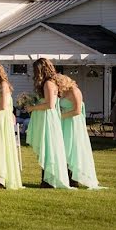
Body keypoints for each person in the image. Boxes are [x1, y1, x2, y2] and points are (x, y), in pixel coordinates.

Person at [25, 58, 72, 189]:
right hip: (46, 118)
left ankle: (48, 180)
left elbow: (50, 105)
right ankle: (46, 179)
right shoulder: (51, 83)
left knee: (48, 148)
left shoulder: (48, 84)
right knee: (47, 148)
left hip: (47, 118)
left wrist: (32, 108)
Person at [57, 73, 102, 189]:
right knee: (64, 149)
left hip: (72, 123)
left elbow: (77, 111)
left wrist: (61, 116)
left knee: (73, 148)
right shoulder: (63, 93)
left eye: (59, 83)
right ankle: (66, 177)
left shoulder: (75, 91)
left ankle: (74, 178)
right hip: (64, 123)